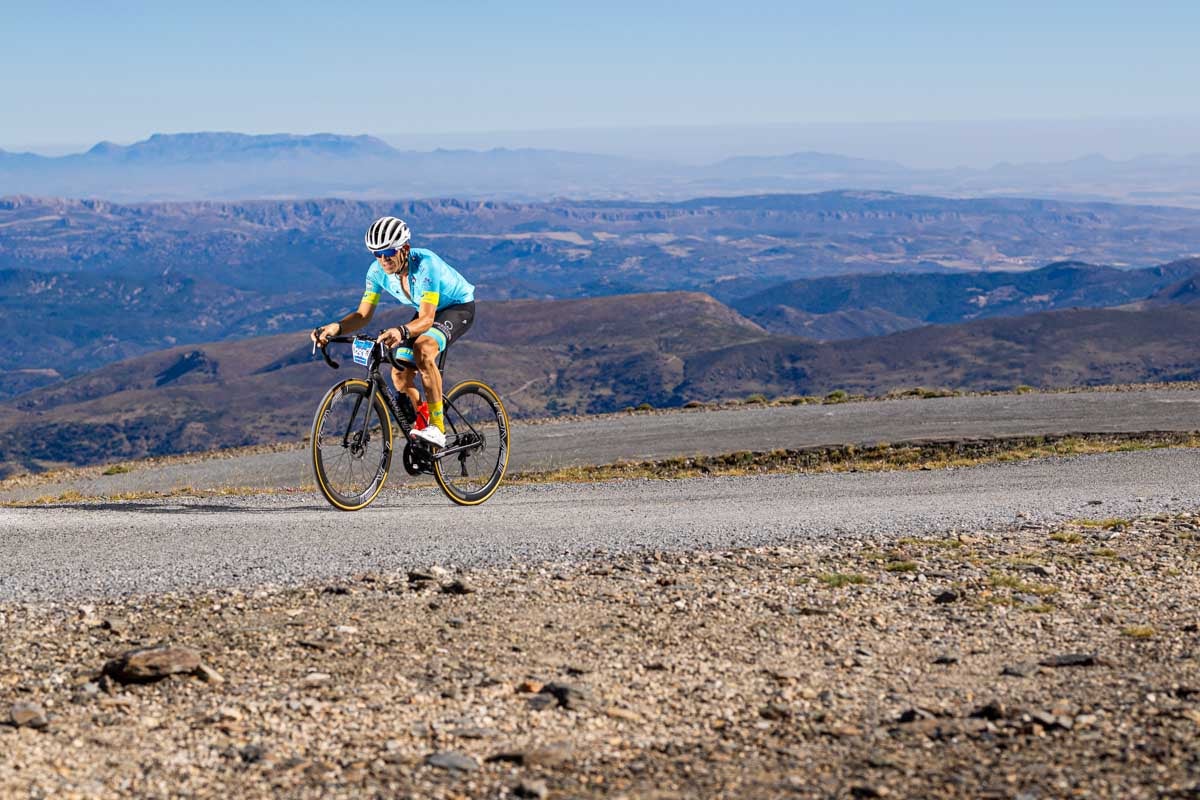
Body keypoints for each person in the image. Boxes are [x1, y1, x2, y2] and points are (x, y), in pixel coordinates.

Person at [311, 216, 475, 448]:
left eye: (388, 253)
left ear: (404, 249)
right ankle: (422, 422)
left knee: (423, 350)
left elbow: (427, 319)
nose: (383, 260)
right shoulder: (376, 272)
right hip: (427, 310)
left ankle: (438, 428)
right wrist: (335, 327)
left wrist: (401, 331)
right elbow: (362, 315)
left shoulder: (426, 264)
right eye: (376, 254)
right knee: (399, 372)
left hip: (457, 308)